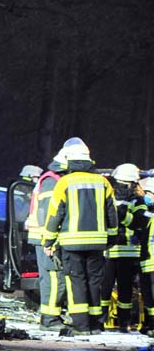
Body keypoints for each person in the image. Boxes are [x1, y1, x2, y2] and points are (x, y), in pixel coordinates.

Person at [42, 137, 118, 334]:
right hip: (97, 244)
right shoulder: (103, 183)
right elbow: (112, 214)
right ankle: (95, 324)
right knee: (95, 282)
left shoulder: (64, 183)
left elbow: (55, 214)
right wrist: (111, 238)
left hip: (71, 243)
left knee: (77, 282)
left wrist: (48, 241)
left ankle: (81, 326)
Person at [25, 151, 67, 330]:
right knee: (53, 278)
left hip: (45, 236)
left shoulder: (53, 179)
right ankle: (49, 319)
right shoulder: (52, 181)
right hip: (45, 236)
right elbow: (47, 213)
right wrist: (50, 240)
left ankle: (52, 316)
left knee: (55, 277)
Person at [102, 163, 147, 332]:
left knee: (122, 289)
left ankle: (122, 322)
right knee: (107, 288)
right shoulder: (111, 197)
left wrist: (123, 216)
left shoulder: (137, 201)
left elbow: (141, 222)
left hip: (125, 250)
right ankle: (105, 320)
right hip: (113, 250)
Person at [136, 177, 154, 336]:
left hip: (151, 262)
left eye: (149, 193)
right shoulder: (147, 216)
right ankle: (149, 323)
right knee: (148, 295)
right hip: (147, 262)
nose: (146, 196)